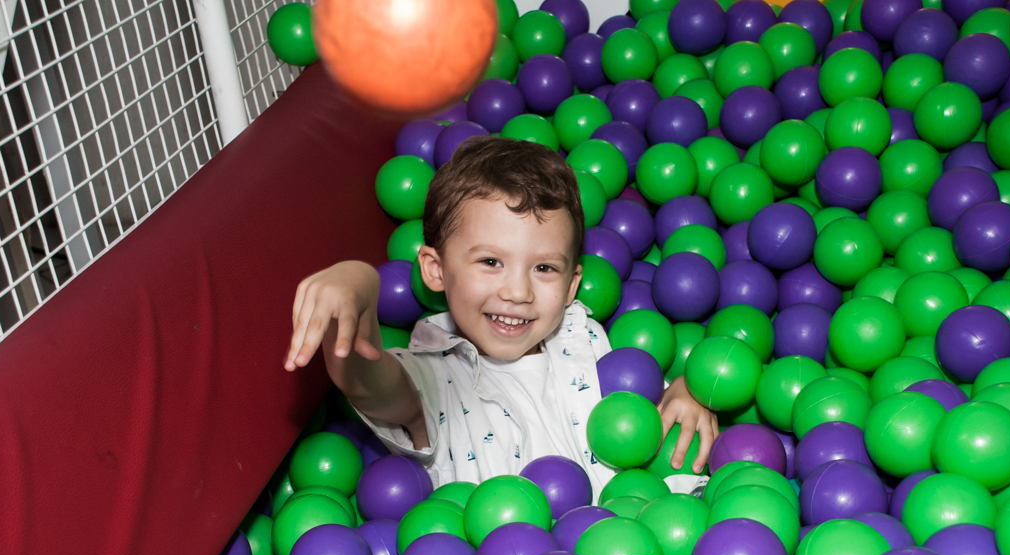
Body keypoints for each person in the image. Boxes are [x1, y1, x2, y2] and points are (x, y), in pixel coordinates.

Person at [285, 136, 717, 496]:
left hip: (637, 548)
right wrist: (355, 282)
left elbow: (652, 414)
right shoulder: (435, 376)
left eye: (544, 268)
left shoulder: (581, 340)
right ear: (435, 270)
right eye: (491, 262)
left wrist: (687, 392)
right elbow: (368, 382)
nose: (517, 292)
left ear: (571, 286)